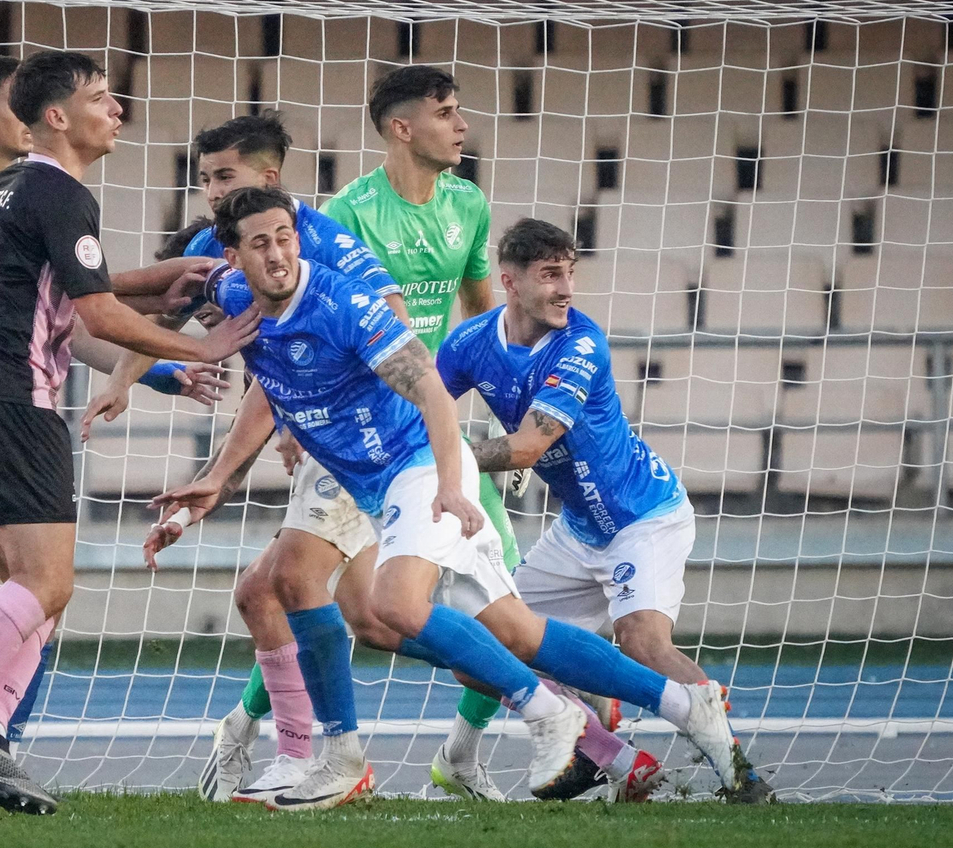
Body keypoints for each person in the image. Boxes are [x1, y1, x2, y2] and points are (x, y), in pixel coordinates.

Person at [152, 186, 746, 809]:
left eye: (283, 238)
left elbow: (438, 394)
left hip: (420, 469)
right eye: (259, 243)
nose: (275, 253)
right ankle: (677, 709)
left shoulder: (343, 300)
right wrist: (92, 291)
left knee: (369, 599)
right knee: (507, 634)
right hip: (376, 481)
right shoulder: (237, 295)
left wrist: (451, 483)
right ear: (231, 257)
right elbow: (124, 305)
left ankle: (520, 719)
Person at [0, 51, 259, 815]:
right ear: (56, 116)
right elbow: (100, 314)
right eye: (100, 97)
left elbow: (63, 288)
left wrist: (157, 289)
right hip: (12, 399)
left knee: (36, 585)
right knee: (45, 583)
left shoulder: (9, 186)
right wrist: (205, 346)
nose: (116, 110)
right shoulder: (60, 190)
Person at [83, 111, 415, 804]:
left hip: (363, 434)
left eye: (224, 177)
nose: (210, 191)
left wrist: (315, 404)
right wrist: (121, 381)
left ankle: (316, 752)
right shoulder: (217, 246)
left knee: (300, 590)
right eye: (204, 178)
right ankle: (533, 678)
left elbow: (390, 316)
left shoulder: (314, 243)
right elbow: (161, 314)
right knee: (364, 616)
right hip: (321, 434)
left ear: (269, 177)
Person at [436, 217, 774, 803]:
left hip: (643, 517)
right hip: (578, 530)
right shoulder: (469, 343)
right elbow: (421, 405)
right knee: (477, 653)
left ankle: (741, 777)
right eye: (550, 275)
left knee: (642, 642)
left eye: (570, 273)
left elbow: (528, 447)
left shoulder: (581, 343)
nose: (566, 289)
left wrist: (445, 460)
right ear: (510, 282)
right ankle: (600, 753)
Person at [318, 64, 531, 800]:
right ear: (401, 128)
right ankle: (267, 733)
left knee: (506, 599)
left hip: (436, 436)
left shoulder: (468, 202)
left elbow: (480, 318)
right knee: (321, 591)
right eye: (446, 112)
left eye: (459, 110)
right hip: (360, 436)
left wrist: (507, 414)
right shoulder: (347, 214)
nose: (462, 124)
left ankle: (461, 756)